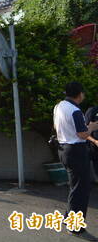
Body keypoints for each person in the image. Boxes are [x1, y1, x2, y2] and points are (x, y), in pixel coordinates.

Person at [54, 82, 98, 239]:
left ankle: (69, 219)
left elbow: (56, 126)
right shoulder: (75, 110)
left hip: (63, 148)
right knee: (81, 189)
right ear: (79, 94)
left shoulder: (59, 106)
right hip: (76, 151)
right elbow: (82, 134)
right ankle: (75, 226)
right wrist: (92, 127)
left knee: (76, 187)